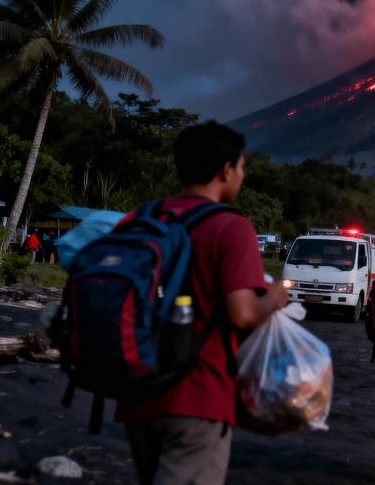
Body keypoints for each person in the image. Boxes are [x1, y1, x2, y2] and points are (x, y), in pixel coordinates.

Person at [116, 121, 289, 485]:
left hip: (136, 391)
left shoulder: (140, 219)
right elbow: (242, 313)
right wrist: (275, 297)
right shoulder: (230, 226)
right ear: (226, 169)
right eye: (242, 166)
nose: (241, 175)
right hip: (198, 394)